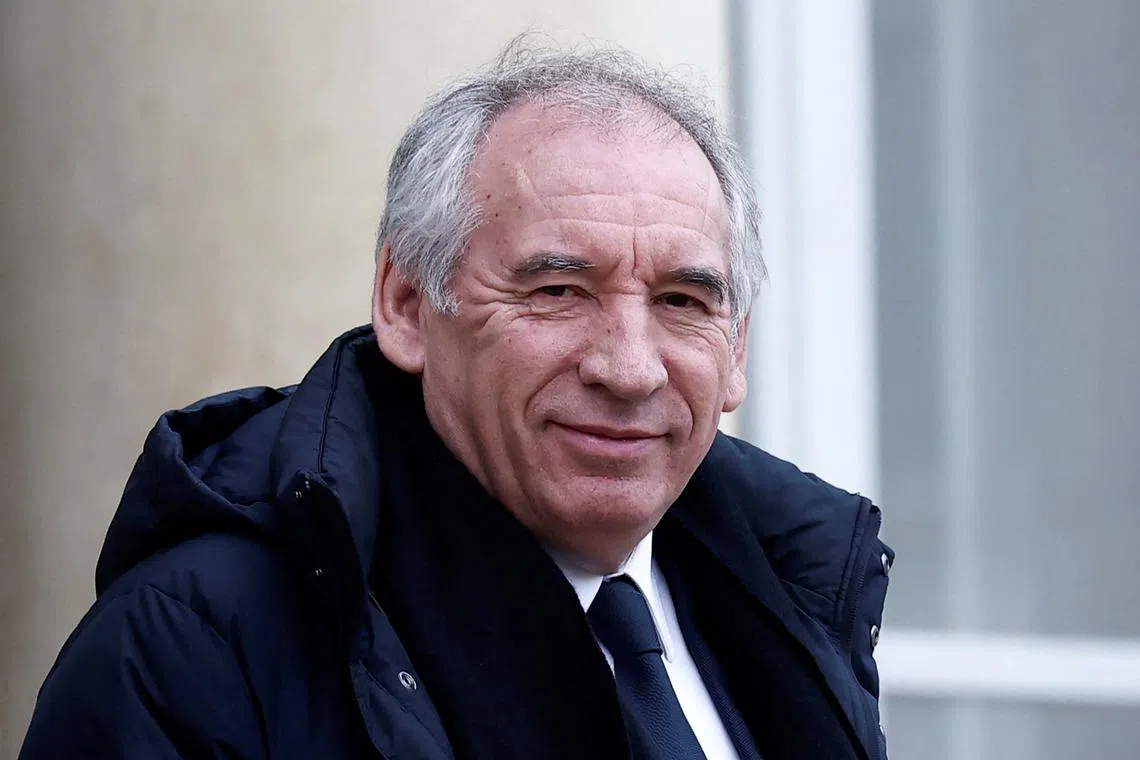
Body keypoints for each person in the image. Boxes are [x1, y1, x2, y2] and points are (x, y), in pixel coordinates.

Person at [20, 41, 893, 760]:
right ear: (406, 305)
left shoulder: (797, 604)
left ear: (736, 349)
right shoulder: (193, 646)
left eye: (683, 302)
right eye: (557, 290)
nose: (631, 369)